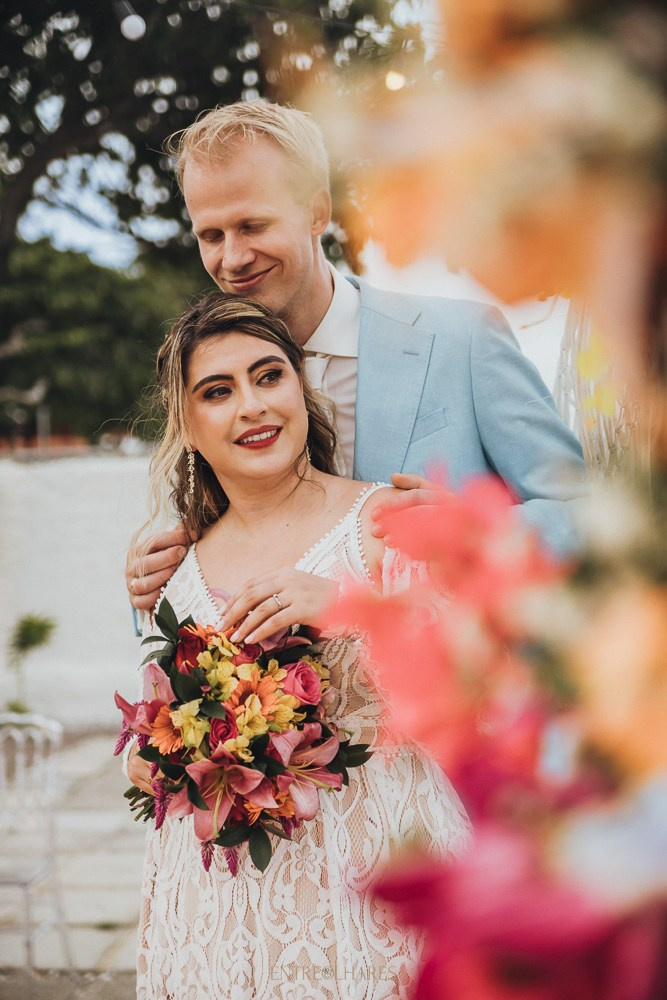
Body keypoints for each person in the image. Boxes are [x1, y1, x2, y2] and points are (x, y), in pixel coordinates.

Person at [128, 291, 470, 998]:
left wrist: (351, 608)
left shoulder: (383, 519)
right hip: (224, 902)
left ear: (300, 390)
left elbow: (469, 691)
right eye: (217, 392)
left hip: (375, 871)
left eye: (268, 375)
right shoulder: (174, 573)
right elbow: (155, 718)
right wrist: (155, 758)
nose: (251, 405)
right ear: (187, 426)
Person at [126, 99, 587, 613]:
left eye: (253, 226)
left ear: (317, 212)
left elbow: (587, 516)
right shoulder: (212, 394)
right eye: (211, 235)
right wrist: (157, 582)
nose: (232, 258)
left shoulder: (464, 338)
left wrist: (473, 531)